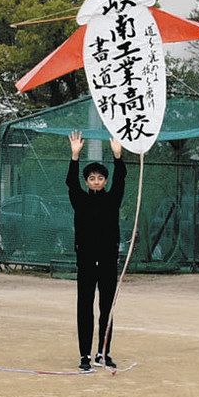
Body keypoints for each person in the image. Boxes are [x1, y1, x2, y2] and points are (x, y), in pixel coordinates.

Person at [66, 132, 125, 373]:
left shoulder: (112, 200)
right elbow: (71, 183)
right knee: (85, 305)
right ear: (87, 181)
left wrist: (118, 156)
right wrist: (75, 156)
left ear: (105, 181)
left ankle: (103, 352)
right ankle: (85, 355)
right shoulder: (80, 199)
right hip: (87, 261)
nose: (97, 182)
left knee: (107, 307)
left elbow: (121, 180)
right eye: (92, 178)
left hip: (109, 260)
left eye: (100, 178)